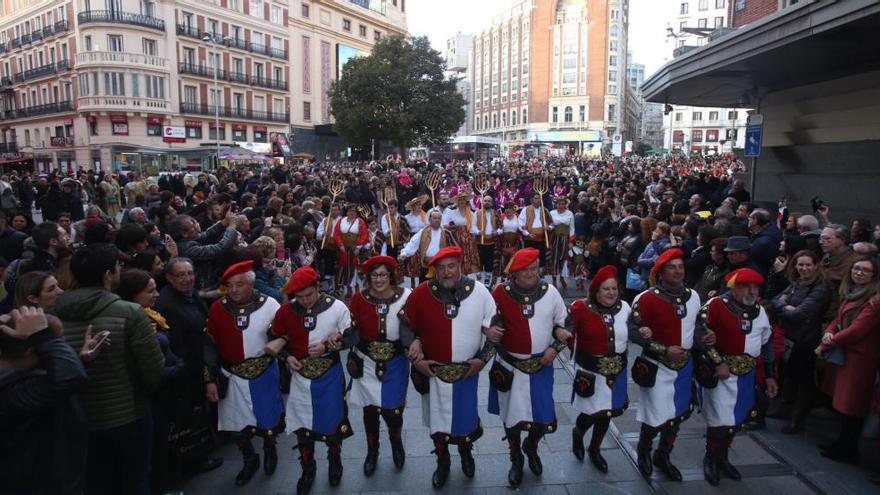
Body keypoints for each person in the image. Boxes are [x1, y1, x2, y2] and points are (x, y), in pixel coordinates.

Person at [53, 243, 165, 495]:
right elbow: (152, 371)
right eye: (117, 266)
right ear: (107, 275)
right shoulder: (130, 312)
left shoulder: (53, 315)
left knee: (98, 483)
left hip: (80, 417)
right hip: (129, 414)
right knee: (134, 480)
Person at [405, 246, 497, 488]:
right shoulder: (421, 293)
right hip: (433, 372)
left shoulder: (479, 292)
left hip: (467, 373)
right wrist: (416, 357)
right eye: (441, 268)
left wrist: (482, 360)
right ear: (435, 270)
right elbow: (405, 325)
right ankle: (442, 461)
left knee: (465, 418)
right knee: (438, 420)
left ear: (461, 265)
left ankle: (466, 454)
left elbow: (496, 331)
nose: (447, 272)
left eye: (451, 266)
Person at [265, 266, 352, 494]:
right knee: (302, 424)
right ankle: (308, 468)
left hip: (329, 375)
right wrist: (287, 357)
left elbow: (352, 335)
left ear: (317, 287)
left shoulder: (337, 308)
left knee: (332, 420)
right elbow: (275, 336)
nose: (304, 301)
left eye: (309, 295)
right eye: (299, 297)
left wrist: (330, 344)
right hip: (300, 377)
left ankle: (335, 461)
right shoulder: (286, 311)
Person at [488, 247, 569, 487]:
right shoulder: (500, 293)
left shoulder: (550, 292)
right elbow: (490, 322)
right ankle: (515, 458)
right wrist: (490, 329)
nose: (532, 274)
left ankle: (531, 446)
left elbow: (564, 324)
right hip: (509, 365)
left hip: (541, 366)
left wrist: (555, 347)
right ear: (514, 272)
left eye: (534, 268)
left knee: (543, 419)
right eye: (525, 270)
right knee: (511, 418)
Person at [628, 248, 704, 482]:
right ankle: (644, 451)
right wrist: (662, 347)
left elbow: (698, 327)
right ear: (661, 272)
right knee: (655, 414)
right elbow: (632, 330)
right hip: (657, 366)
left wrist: (704, 338)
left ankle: (663, 455)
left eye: (680, 266)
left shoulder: (694, 296)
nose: (678, 271)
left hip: (684, 367)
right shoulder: (646, 298)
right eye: (672, 267)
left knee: (678, 414)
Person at [696, 268, 778, 486]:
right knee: (719, 421)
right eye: (745, 286)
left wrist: (769, 376)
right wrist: (718, 362)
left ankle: (723, 458)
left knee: (736, 420)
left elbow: (767, 341)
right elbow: (699, 334)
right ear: (733, 286)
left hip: (746, 376)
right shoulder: (715, 306)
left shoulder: (759, 311)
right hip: (721, 375)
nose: (751, 291)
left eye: (755, 287)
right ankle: (711, 458)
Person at [204, 261, 283, 485]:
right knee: (236, 425)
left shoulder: (270, 305)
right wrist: (209, 379)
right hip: (231, 374)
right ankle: (249, 458)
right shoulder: (218, 308)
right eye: (230, 285)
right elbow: (209, 346)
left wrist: (280, 343)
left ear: (251, 283)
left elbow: (284, 333)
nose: (234, 290)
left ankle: (270, 450)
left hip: (263, 371)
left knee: (267, 420)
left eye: (239, 284)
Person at [0, 306, 89, 495]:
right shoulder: (10, 390)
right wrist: (41, 335)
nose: (62, 345)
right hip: (37, 484)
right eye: (56, 341)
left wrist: (80, 359)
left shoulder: (26, 376)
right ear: (31, 351)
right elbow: (69, 377)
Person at [116, 269, 188, 495]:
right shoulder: (137, 321)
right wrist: (176, 368)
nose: (156, 295)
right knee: (150, 454)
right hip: (150, 397)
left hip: (161, 393)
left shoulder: (151, 315)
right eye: (150, 291)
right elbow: (145, 369)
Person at [345, 256, 417, 476]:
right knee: (370, 410)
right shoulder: (359, 298)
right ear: (368, 278)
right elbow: (349, 325)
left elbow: (417, 323)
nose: (378, 279)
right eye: (374, 275)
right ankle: (372, 451)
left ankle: (396, 443)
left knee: (393, 410)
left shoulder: (406, 296)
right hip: (366, 361)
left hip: (396, 361)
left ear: (391, 276)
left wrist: (417, 340)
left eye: (383, 274)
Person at [154, 258, 224, 474]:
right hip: (190, 366)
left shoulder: (191, 295)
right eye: (181, 275)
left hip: (200, 359)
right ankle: (195, 457)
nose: (187, 279)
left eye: (190, 273)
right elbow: (179, 344)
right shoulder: (169, 305)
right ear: (169, 278)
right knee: (193, 415)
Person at [816, 256, 880, 464]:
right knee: (844, 404)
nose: (859, 273)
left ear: (874, 276)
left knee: (852, 405)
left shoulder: (874, 300)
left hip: (859, 358)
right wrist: (829, 331)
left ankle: (848, 448)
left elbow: (857, 330)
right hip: (845, 354)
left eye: (865, 270)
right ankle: (842, 444)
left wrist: (828, 341)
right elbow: (838, 318)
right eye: (856, 268)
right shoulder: (853, 293)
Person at [569, 265, 633, 473]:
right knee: (590, 412)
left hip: (617, 373)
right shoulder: (580, 308)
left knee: (607, 413)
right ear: (596, 290)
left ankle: (595, 449)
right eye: (606, 289)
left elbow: (634, 330)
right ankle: (578, 434)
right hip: (591, 372)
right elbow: (565, 330)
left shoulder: (625, 308)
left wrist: (645, 331)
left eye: (614, 289)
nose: (611, 293)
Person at [766, 249, 830, 433]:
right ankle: (785, 408)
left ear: (816, 266)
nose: (804, 268)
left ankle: (798, 419)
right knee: (789, 375)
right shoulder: (797, 282)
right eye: (800, 264)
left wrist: (784, 305)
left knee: (803, 379)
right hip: (790, 335)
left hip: (806, 339)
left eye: (808, 265)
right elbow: (775, 300)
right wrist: (786, 305)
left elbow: (800, 314)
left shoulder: (820, 288)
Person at [168, 213, 239, 290]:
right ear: (184, 234)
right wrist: (232, 227)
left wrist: (224, 222)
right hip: (206, 287)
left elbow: (206, 234)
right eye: (193, 226)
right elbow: (220, 248)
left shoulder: (188, 239)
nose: (196, 226)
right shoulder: (188, 249)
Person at [399, 210, 455, 283]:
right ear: (429, 220)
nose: (437, 220)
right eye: (434, 218)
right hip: (426, 265)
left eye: (439, 218)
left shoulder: (446, 233)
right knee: (424, 289)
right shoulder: (423, 232)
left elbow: (453, 248)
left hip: (441, 266)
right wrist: (404, 253)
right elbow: (413, 243)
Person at [333, 203, 369, 297]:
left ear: (357, 212)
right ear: (347, 212)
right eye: (350, 211)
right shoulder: (341, 220)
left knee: (353, 269)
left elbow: (364, 235)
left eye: (353, 211)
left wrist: (358, 247)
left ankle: (352, 287)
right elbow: (336, 233)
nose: (351, 213)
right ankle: (345, 287)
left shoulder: (360, 222)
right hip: (343, 249)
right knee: (342, 268)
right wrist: (340, 245)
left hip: (354, 249)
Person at [441, 190, 481, 274]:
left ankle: (467, 277)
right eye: (460, 200)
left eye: (463, 199)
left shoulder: (470, 213)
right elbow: (445, 225)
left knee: (469, 258)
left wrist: (478, 232)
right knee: (459, 257)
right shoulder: (452, 213)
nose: (462, 201)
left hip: (469, 239)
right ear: (457, 202)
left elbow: (473, 226)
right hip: (456, 239)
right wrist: (451, 226)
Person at [518, 192, 552, 273]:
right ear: (531, 200)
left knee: (541, 258)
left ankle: (540, 275)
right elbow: (520, 223)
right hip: (529, 238)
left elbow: (551, 223)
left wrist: (548, 227)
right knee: (530, 258)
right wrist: (527, 234)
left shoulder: (545, 210)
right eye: (536, 198)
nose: (538, 200)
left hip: (541, 239)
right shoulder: (526, 209)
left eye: (539, 198)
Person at [549, 197, 576, 288]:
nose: (561, 206)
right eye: (559, 204)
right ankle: (554, 279)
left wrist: (571, 241)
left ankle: (561, 277)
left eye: (563, 204)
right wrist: (548, 227)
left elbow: (572, 228)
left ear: (565, 204)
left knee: (563, 258)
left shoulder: (570, 213)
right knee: (554, 258)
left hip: (565, 239)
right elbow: (551, 225)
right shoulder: (552, 213)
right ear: (556, 204)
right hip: (555, 238)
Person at [473, 195, 499, 287]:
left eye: (489, 201)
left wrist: (497, 232)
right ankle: (479, 282)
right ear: (482, 202)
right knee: (479, 262)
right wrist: (478, 231)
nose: (487, 202)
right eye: (485, 201)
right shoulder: (477, 213)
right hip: (480, 242)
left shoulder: (495, 213)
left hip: (491, 242)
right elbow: (472, 227)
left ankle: (487, 282)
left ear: (491, 203)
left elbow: (501, 227)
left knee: (489, 262)